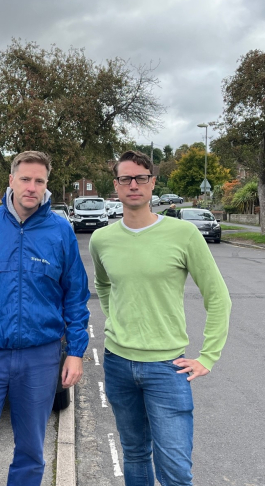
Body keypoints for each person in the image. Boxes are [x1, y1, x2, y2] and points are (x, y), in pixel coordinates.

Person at [0, 150, 91, 486]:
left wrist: (76, 351)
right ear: (11, 180)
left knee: (31, 452)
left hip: (41, 357)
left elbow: (76, 294)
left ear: (46, 185)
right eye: (25, 178)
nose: (31, 187)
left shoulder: (59, 231)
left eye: (39, 181)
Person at [89, 150, 231, 486]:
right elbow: (104, 285)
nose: (133, 184)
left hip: (167, 368)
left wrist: (208, 357)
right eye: (126, 178)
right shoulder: (102, 239)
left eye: (141, 178)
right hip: (118, 364)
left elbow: (218, 297)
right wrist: (119, 319)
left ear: (153, 183)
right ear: (116, 186)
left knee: (175, 470)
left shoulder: (184, 235)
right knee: (135, 454)